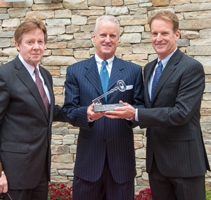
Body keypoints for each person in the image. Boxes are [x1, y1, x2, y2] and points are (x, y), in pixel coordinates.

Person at [104, 10, 211, 200]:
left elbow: (181, 113)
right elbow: (149, 107)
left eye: (164, 33)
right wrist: (127, 111)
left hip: (185, 162)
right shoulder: (151, 68)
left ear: (176, 35)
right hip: (157, 163)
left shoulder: (191, 68)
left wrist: (136, 113)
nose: (158, 38)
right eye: (154, 33)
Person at [0, 17, 64, 200]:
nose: (36, 47)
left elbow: (46, 110)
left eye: (40, 42)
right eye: (30, 42)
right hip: (12, 176)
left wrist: (83, 113)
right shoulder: (3, 76)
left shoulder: (45, 76)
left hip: (39, 172)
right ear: (18, 45)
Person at [62, 16, 144, 200]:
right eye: (103, 35)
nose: (108, 39)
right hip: (88, 164)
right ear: (93, 37)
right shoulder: (75, 71)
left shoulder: (133, 71)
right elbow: (69, 110)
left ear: (118, 39)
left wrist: (131, 114)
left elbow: (141, 107)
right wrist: (87, 115)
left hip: (121, 164)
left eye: (112, 35)